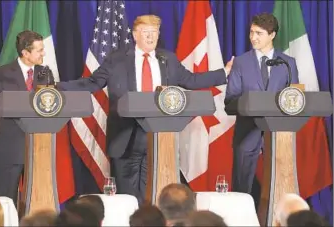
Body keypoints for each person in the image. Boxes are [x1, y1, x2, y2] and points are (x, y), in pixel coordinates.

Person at [55, 14, 234, 205]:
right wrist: (58, 88)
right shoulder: (117, 59)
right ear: (135, 35)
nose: (151, 37)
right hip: (126, 137)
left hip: (158, 138)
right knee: (128, 200)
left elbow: (191, 80)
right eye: (146, 32)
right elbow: (93, 83)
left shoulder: (168, 59)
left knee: (154, 196)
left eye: (154, 32)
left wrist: (223, 72)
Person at [0, 30, 54, 206]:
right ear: (25, 53)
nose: (44, 53)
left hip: (39, 149)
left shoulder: (45, 73)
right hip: (11, 148)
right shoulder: (2, 73)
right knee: (7, 201)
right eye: (39, 50)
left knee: (38, 203)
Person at [225, 13, 299, 194]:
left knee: (280, 189)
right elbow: (229, 102)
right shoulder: (241, 63)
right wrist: (251, 104)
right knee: (241, 190)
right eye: (251, 32)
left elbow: (295, 100)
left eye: (259, 33)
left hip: (278, 135)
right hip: (247, 134)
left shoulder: (288, 63)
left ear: (272, 35)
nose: (253, 37)